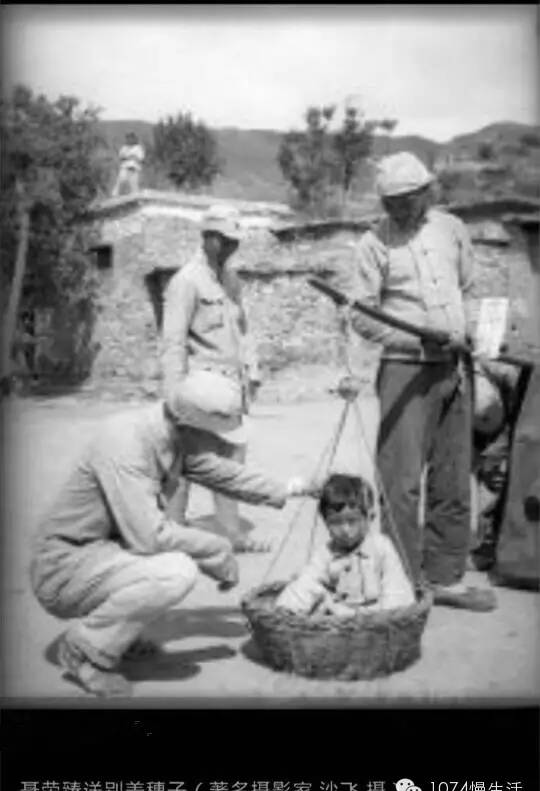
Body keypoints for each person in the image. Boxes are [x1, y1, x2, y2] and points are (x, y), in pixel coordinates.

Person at [30, 370, 316, 697]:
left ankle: (118, 635)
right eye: (219, 437)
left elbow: (227, 475)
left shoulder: (173, 434)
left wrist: (296, 488)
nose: (223, 446)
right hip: (65, 568)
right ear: (191, 426)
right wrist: (217, 547)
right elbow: (149, 537)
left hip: (107, 553)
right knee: (175, 571)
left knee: (173, 560)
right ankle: (84, 651)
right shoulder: (126, 443)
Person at [336, 151, 496, 611]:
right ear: (384, 202)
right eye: (394, 201)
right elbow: (362, 316)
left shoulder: (451, 229)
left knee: (453, 478)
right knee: (400, 484)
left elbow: (469, 288)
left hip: (455, 370)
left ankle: (444, 577)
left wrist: (471, 334)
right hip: (404, 370)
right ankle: (401, 583)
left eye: (410, 197)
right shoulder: (373, 245)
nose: (403, 206)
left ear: (427, 192)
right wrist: (415, 337)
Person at [161, 204, 264, 553]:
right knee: (186, 463)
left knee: (231, 463)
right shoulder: (186, 281)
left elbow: (243, 330)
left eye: (236, 240)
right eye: (226, 239)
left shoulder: (231, 281)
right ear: (209, 237)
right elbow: (173, 343)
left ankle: (231, 533)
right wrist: (173, 397)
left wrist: (253, 371)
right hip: (198, 388)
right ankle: (174, 534)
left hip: (231, 389)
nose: (233, 246)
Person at [276, 473, 415, 617]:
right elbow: (309, 579)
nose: (345, 530)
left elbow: (396, 590)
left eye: (352, 521)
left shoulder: (381, 547)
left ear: (369, 518)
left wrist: (387, 615)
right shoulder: (326, 553)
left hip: (377, 617)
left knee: (398, 592)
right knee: (305, 584)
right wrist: (290, 606)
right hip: (338, 618)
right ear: (326, 522)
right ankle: (285, 614)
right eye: (335, 522)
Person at [471, 359, 522, 571]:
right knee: (491, 479)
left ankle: (489, 545)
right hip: (507, 419)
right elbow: (496, 364)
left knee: (498, 481)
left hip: (516, 418)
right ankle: (483, 545)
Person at [112, 132, 145, 197]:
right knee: (121, 181)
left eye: (131, 138)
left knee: (134, 185)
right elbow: (121, 157)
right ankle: (115, 196)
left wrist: (132, 157)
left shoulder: (138, 148)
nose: (129, 139)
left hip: (134, 168)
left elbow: (140, 158)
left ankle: (135, 197)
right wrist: (130, 157)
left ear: (134, 138)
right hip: (125, 167)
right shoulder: (124, 148)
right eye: (128, 138)